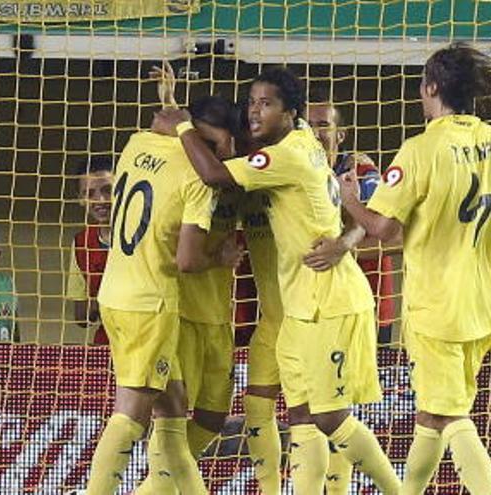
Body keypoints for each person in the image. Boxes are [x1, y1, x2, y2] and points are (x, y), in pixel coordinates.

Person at [154, 67, 401, 493]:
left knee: (329, 417)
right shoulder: (285, 146)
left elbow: (214, 174)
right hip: (291, 309)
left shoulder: (290, 156)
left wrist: (180, 126)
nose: (255, 113)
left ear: (291, 112)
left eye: (265, 104)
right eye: (251, 104)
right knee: (297, 415)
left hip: (329, 300)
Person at [339, 42, 491, 493]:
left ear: (431, 87)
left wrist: (351, 202)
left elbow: (384, 229)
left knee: (451, 417)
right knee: (432, 413)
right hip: (480, 303)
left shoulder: (421, 149)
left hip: (435, 307)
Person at [135, 95, 243, 494]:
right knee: (171, 424)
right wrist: (218, 257)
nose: (216, 153)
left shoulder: (236, 174)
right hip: (179, 313)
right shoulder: (187, 178)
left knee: (214, 418)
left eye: (220, 144)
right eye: (209, 144)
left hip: (218, 314)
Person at [307, 99, 397, 344]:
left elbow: (389, 235)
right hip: (314, 307)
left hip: (369, 302)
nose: (314, 132)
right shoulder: (293, 171)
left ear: (341, 135)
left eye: (323, 125)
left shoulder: (361, 170)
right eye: (307, 125)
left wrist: (340, 249)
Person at [65, 155, 113, 344]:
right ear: (80, 199)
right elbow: (81, 316)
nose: (99, 200)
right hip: (107, 341)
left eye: (108, 190)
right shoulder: (81, 242)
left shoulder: (142, 232)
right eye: (90, 193)